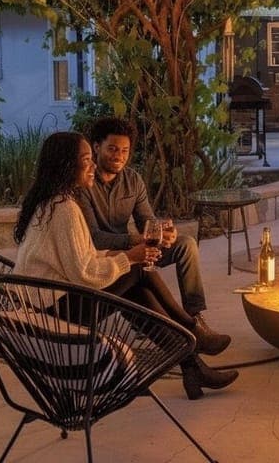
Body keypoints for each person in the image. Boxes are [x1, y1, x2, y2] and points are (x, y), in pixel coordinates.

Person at [13, 131, 238, 400]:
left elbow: (82, 258)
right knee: (138, 270)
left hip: (52, 298)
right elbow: (84, 274)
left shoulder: (53, 201)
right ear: (67, 165)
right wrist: (130, 257)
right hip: (53, 309)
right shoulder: (64, 208)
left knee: (139, 294)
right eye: (87, 160)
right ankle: (191, 333)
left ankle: (191, 364)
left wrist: (128, 254)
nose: (93, 165)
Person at [75, 117, 215, 330]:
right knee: (141, 263)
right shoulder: (85, 184)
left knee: (186, 245)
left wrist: (163, 232)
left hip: (134, 245)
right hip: (105, 254)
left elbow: (146, 221)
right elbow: (94, 238)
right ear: (96, 147)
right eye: (112, 149)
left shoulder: (133, 180)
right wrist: (138, 240)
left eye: (124, 151)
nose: (119, 156)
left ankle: (194, 316)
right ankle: (152, 320)